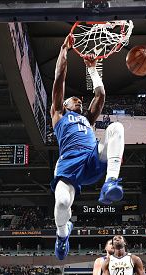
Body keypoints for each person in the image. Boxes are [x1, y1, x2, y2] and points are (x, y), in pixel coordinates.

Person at [50, 34, 125, 260]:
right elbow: (59, 79)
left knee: (116, 128)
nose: (79, 101)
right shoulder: (59, 114)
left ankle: (110, 181)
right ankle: (63, 235)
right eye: (75, 100)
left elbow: (100, 95)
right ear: (64, 104)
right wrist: (64, 50)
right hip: (69, 165)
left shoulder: (88, 120)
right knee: (62, 202)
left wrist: (93, 69)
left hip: (92, 159)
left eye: (80, 101)